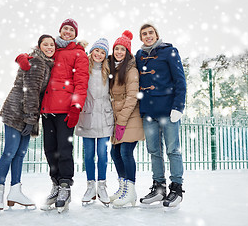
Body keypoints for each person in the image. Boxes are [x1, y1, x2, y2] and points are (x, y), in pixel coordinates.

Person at [16, 18, 89, 212]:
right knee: (50, 150)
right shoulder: (52, 49)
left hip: (66, 109)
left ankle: (65, 186)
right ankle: (55, 184)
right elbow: (35, 55)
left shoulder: (79, 54)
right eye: (65, 28)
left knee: (64, 150)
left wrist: (76, 106)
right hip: (47, 109)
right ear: (60, 30)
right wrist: (23, 57)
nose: (67, 32)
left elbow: (81, 82)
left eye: (71, 30)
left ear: (75, 33)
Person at [0, 35, 55, 213]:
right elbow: (31, 91)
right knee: (10, 152)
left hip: (27, 113)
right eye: (46, 44)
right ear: (39, 46)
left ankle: (15, 191)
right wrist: (30, 117)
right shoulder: (37, 62)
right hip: (16, 112)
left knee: (20, 154)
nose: (49, 47)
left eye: (52, 45)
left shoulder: (45, 63)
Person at [135, 23, 186, 208]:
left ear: (156, 35)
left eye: (151, 33)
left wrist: (178, 106)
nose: (148, 36)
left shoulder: (169, 51)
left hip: (168, 110)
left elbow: (180, 80)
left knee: (172, 150)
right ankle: (158, 188)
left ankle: (176, 189)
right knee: (154, 151)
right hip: (148, 112)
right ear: (141, 38)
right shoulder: (139, 55)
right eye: (144, 34)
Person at [74, 38, 114, 206]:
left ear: (105, 56)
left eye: (102, 52)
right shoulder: (84, 68)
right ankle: (90, 187)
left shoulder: (108, 71)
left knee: (103, 155)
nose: (98, 54)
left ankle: (102, 186)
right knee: (89, 155)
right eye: (96, 50)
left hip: (105, 117)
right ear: (91, 52)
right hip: (88, 116)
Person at [108, 30, 145, 207]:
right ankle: (123, 188)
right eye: (117, 48)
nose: (119, 52)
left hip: (131, 117)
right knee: (114, 153)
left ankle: (130, 191)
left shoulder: (131, 70)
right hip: (119, 118)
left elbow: (132, 97)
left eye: (123, 49)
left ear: (128, 52)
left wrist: (121, 121)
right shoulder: (113, 68)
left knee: (125, 152)